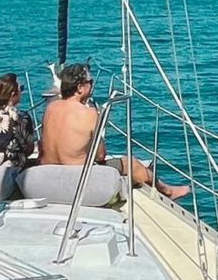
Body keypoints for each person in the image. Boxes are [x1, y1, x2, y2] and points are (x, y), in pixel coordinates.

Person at [41, 62, 191, 199]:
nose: (92, 86)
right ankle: (167, 191)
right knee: (131, 163)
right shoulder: (89, 113)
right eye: (90, 82)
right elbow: (100, 155)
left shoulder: (51, 108)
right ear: (79, 87)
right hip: (77, 178)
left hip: (47, 173)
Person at [0, 73, 37, 169]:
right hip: (11, 171)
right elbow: (29, 149)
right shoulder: (22, 118)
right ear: (12, 94)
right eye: (20, 89)